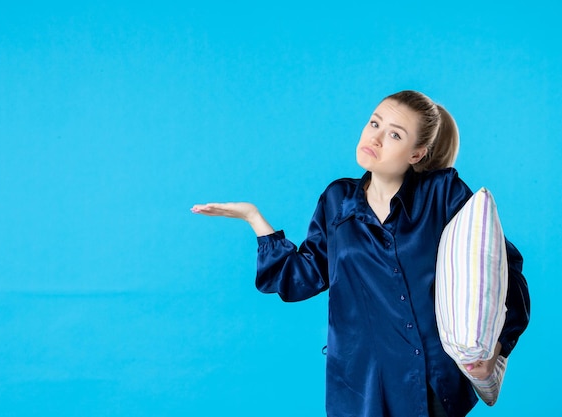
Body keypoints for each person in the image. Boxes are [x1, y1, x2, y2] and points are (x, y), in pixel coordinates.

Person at [191, 90, 530, 417]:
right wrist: (255, 218)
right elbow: (301, 278)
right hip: (360, 388)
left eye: (395, 135)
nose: (376, 138)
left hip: (427, 386)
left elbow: (501, 266)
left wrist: (497, 347)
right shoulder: (337, 201)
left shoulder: (442, 194)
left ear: (417, 153)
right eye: (374, 123)